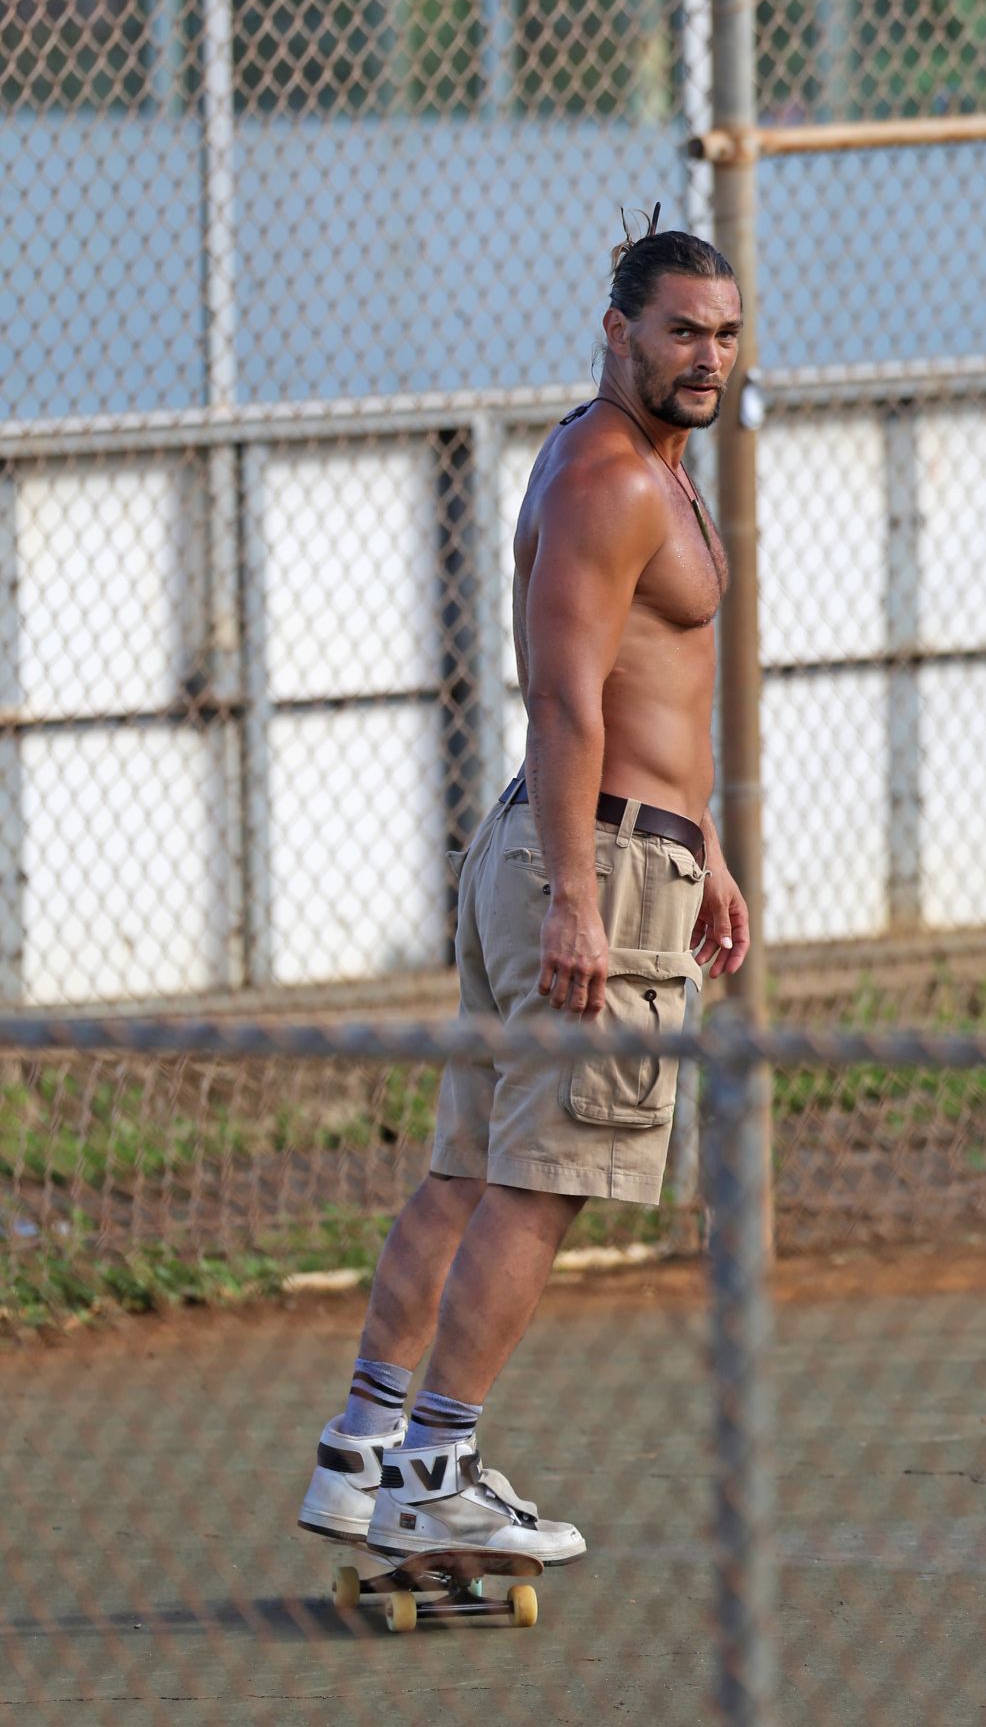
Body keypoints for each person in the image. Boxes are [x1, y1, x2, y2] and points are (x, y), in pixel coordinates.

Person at [298, 209, 751, 1567]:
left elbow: (649, 688)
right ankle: (437, 1467)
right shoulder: (611, 478)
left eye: (724, 333)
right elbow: (563, 698)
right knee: (542, 1180)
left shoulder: (650, 466)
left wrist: (708, 844)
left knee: (470, 1163)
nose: (706, 356)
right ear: (617, 331)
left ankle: (363, 1448)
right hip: (588, 855)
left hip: (602, 842)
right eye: (680, 330)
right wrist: (575, 896)